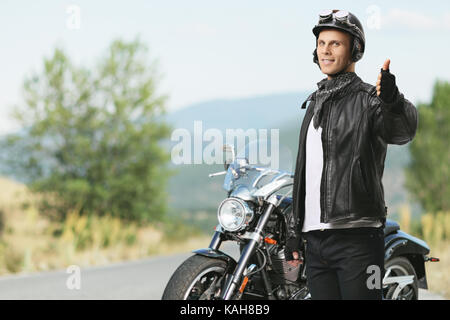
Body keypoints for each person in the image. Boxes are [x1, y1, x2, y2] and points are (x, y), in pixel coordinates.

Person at [285, 9, 418, 300]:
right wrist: (295, 230)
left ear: (355, 50)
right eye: (321, 43)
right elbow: (306, 171)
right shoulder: (315, 103)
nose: (326, 50)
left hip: (358, 238)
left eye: (335, 43)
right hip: (316, 240)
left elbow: (403, 131)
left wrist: (393, 101)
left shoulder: (371, 100)